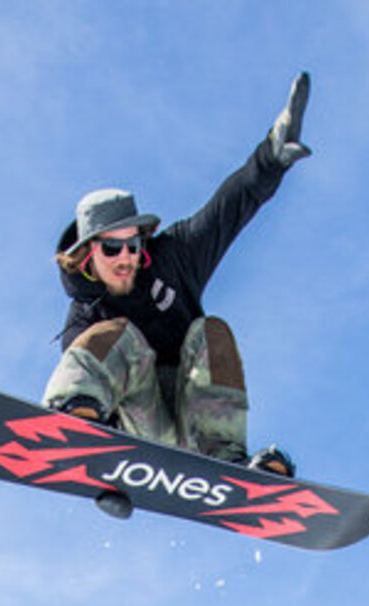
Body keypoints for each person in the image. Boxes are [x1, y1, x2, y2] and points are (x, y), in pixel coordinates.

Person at [43, 74, 313, 485]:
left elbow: (228, 208)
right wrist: (107, 485)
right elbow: (96, 376)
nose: (126, 259)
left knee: (213, 332)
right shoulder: (84, 323)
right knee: (115, 335)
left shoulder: (175, 258)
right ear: (87, 255)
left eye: (132, 246)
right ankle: (73, 420)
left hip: (197, 422)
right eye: (112, 249)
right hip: (139, 423)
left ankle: (225, 459)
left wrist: (272, 156)